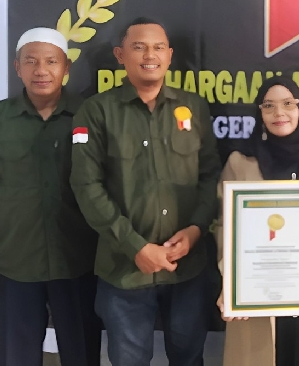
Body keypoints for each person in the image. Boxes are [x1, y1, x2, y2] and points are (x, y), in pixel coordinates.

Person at [70, 18, 221, 366]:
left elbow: (210, 174)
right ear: (120, 55)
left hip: (187, 268)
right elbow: (86, 186)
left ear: (169, 55)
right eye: (138, 47)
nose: (149, 55)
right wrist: (135, 246)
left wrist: (196, 229)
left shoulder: (194, 107)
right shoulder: (96, 111)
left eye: (157, 47)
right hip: (125, 271)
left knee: (189, 358)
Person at [0, 27, 100, 366]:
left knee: (83, 357)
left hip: (79, 264)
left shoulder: (91, 115)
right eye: (31, 61)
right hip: (14, 268)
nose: (41, 70)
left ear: (66, 67)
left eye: (51, 62)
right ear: (17, 67)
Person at [216, 76, 299, 366]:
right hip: (258, 286)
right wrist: (231, 278)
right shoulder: (241, 161)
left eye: (288, 103)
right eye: (269, 106)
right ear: (259, 112)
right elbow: (224, 226)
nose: (279, 113)